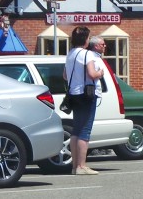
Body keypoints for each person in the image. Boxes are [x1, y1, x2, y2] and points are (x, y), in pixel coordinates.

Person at [64, 27, 105, 175]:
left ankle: (75, 166)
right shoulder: (87, 54)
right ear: (85, 40)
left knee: (76, 129)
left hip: (73, 94)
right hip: (86, 94)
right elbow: (92, 73)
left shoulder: (70, 54)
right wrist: (100, 73)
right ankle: (82, 166)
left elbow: (64, 75)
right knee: (85, 130)